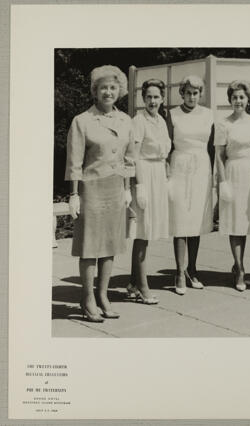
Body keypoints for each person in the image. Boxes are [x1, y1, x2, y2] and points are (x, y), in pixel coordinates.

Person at [65, 65, 135, 322]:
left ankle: (103, 295)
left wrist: (127, 189)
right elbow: (74, 162)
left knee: (110, 245)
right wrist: (74, 194)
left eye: (113, 87)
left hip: (116, 188)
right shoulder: (82, 121)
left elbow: (129, 158)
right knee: (89, 247)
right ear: (95, 91)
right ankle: (87, 298)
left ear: (120, 91)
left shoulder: (126, 120)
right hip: (91, 188)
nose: (108, 92)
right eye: (103, 87)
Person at [214, 80, 250, 292]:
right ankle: (240, 269)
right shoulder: (223, 124)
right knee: (233, 223)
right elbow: (218, 156)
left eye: (242, 97)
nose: (238, 101)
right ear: (230, 100)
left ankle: (238, 266)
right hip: (232, 171)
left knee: (243, 224)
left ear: (248, 99)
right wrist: (222, 182)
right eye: (234, 97)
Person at [166, 76, 215, 295]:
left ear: (200, 94)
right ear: (182, 93)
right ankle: (179, 272)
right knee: (180, 221)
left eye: (196, 93)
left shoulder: (208, 114)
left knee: (196, 221)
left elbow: (213, 148)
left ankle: (192, 270)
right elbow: (167, 147)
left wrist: (214, 177)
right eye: (188, 92)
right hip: (179, 168)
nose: (192, 96)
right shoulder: (172, 114)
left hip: (201, 169)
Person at [126, 79, 171, 304]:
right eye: (149, 97)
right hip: (144, 175)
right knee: (142, 232)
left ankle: (133, 283)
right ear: (143, 99)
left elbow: (164, 152)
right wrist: (140, 186)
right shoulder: (138, 121)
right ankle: (143, 289)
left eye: (156, 97)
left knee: (147, 231)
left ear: (162, 99)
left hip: (158, 174)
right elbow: (133, 156)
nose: (153, 101)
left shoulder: (161, 120)